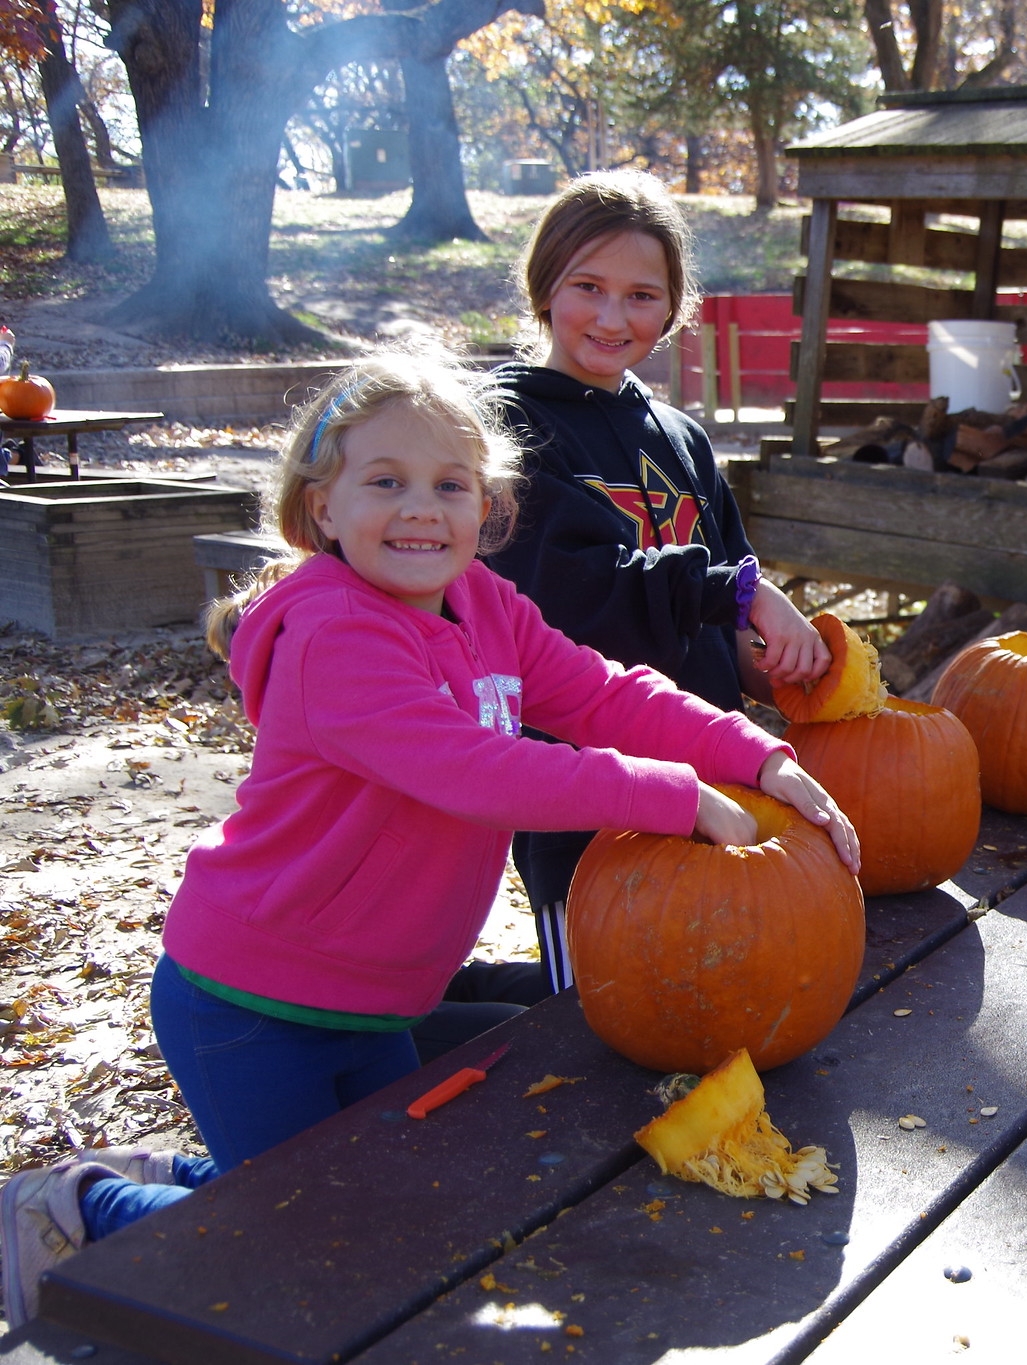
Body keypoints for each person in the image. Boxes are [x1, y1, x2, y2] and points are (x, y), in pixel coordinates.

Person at [0, 355, 858, 1324]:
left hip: (376, 1000)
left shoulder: (483, 605)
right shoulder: (334, 636)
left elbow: (601, 691)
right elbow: (474, 771)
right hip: (252, 1001)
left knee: (361, 1209)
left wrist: (753, 755)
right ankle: (80, 1208)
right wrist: (675, 795)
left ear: (487, 508)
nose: (420, 509)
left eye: (449, 486)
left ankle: (186, 1176)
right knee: (298, 1242)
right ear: (322, 508)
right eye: (385, 482)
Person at [486, 169, 829, 995]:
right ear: (544, 287)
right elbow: (567, 594)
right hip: (581, 794)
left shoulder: (681, 439)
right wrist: (736, 594)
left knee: (727, 993)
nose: (612, 317)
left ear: (673, 308)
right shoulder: (503, 427)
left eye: (642, 295)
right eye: (588, 287)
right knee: (607, 1009)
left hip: (712, 761)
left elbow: (725, 593)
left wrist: (767, 658)